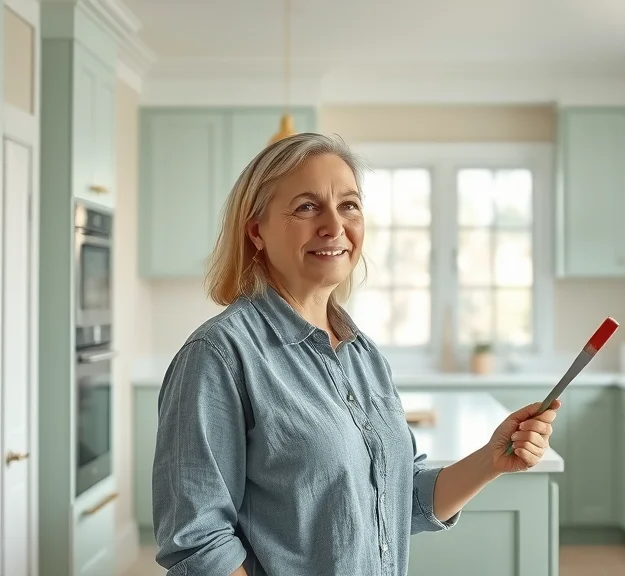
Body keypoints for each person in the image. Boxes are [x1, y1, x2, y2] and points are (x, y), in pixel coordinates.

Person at [150, 132, 560, 576]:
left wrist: (490, 460)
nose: (334, 225)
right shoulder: (219, 356)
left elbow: (401, 498)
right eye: (307, 207)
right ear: (256, 231)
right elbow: (197, 544)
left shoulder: (362, 354)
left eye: (348, 205)